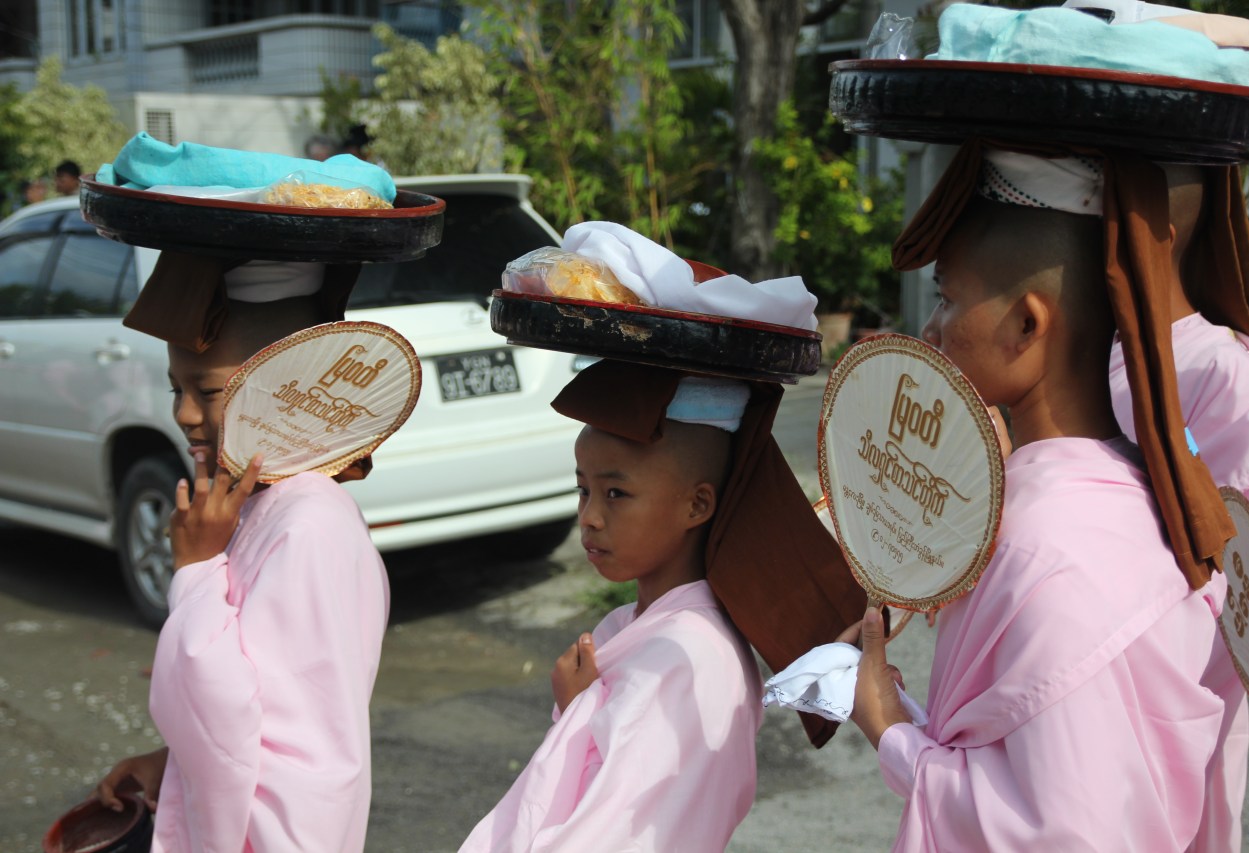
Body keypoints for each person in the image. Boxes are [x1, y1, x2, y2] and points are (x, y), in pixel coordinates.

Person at [847, 144, 1234, 851]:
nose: (930, 329)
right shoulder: (1133, 489)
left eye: (947, 297)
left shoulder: (1045, 545)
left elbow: (1058, 831)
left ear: (1028, 323)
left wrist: (891, 730)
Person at [93, 263, 390, 852]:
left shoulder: (308, 526)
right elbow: (252, 709)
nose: (183, 414)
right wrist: (172, 764)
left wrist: (196, 570)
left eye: (207, 391)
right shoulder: (262, 506)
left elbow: (260, 725)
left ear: (290, 388)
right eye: (176, 389)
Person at [462, 370, 762, 851]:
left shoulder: (685, 656)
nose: (590, 517)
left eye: (616, 494)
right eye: (584, 490)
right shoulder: (631, 625)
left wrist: (578, 708)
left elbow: (617, 834)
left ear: (697, 504)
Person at [1107, 162, 1249, 849]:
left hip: (1185, 682)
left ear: (1152, 236)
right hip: (1095, 669)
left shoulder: (1225, 370)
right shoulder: (1091, 355)